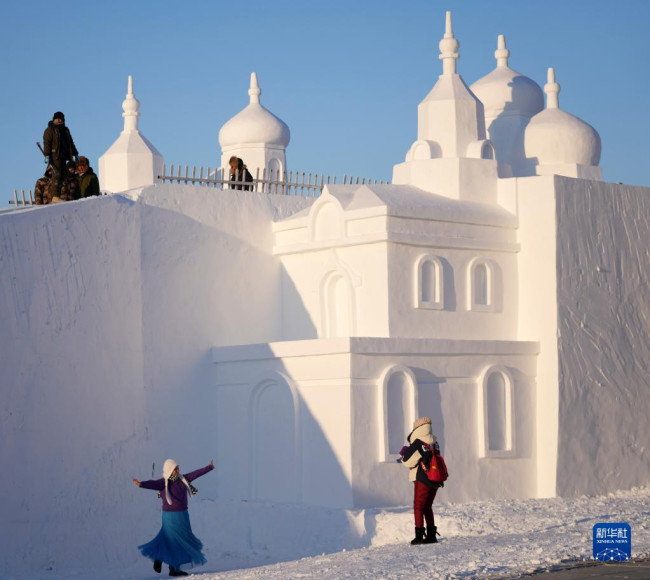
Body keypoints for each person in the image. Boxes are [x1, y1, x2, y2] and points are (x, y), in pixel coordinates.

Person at [133, 459, 214, 577]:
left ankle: (173, 568)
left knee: (181, 541)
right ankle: (162, 559)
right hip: (170, 516)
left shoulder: (183, 479)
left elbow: (196, 473)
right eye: (175, 468)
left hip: (182, 515)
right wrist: (141, 484)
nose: (177, 470)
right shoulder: (163, 482)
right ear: (169, 470)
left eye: (178, 468)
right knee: (171, 539)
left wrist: (209, 467)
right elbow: (153, 483)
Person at [399, 417, 442, 545]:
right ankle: (431, 535)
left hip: (422, 479)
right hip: (435, 478)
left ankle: (419, 536)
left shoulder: (418, 442)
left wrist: (404, 454)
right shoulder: (434, 442)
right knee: (427, 506)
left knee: (418, 506)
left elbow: (407, 461)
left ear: (417, 428)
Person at [43, 112, 78, 201]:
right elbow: (47, 143)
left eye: (61, 119)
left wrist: (75, 153)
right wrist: (47, 155)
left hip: (64, 157)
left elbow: (70, 143)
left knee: (63, 176)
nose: (59, 120)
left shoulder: (65, 130)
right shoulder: (50, 130)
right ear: (54, 119)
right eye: (57, 118)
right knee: (56, 175)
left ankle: (59, 196)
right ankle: (55, 196)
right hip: (55, 156)